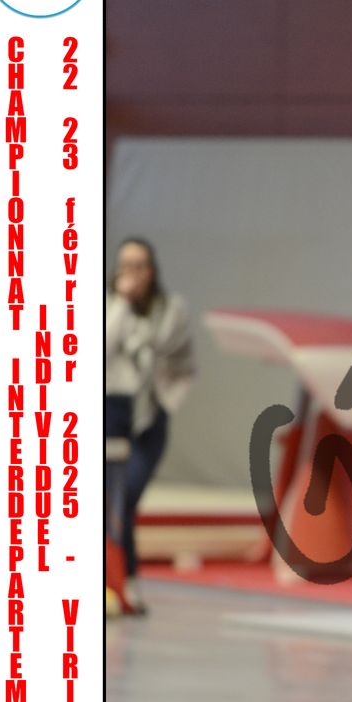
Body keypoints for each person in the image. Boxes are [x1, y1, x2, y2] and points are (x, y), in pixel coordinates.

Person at [105, 237, 195, 615]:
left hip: (150, 416)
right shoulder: (109, 307)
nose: (132, 273)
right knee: (111, 503)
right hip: (113, 412)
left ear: (152, 270)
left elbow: (174, 353)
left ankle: (126, 583)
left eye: (139, 265)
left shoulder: (171, 308)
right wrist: (121, 304)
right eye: (125, 265)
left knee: (127, 496)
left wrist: (168, 403)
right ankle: (122, 584)